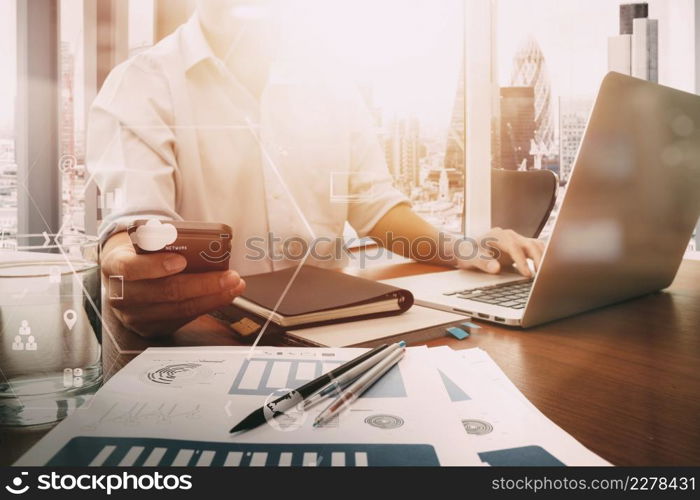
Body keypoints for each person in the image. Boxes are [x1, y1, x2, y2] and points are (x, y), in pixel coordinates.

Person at [89, 0, 544, 338]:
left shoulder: (331, 83)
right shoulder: (144, 84)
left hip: (340, 332)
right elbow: (135, 226)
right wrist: (123, 264)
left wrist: (467, 248)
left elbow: (375, 207)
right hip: (207, 337)